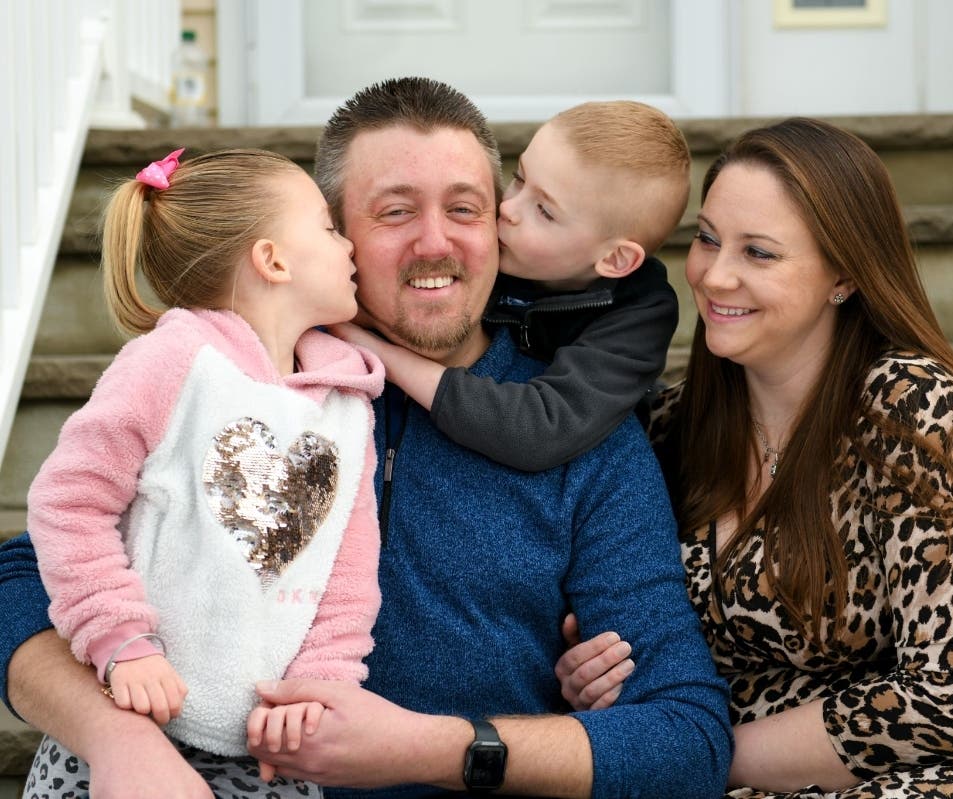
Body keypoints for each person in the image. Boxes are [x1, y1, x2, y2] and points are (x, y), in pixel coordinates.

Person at [0, 78, 732, 799]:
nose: (435, 242)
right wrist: (117, 738)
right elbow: (27, 576)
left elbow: (688, 736)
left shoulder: (580, 433)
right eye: (394, 212)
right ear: (329, 235)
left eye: (466, 209)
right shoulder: (244, 382)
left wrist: (437, 748)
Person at [555, 117, 953, 797]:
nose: (714, 275)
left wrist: (683, 752)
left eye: (759, 253)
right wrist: (588, 669)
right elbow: (635, 647)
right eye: (706, 239)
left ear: (843, 278)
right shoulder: (671, 428)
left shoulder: (913, 409)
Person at [18, 148, 385, 798]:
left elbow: (348, 572)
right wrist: (121, 637)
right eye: (328, 228)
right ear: (273, 260)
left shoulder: (346, 408)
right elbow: (66, 502)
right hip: (132, 734)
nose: (348, 243)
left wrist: (321, 685)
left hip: (275, 755)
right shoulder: (172, 363)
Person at [333, 99, 686, 471]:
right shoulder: (509, 246)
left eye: (545, 211)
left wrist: (373, 350)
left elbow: (538, 431)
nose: (509, 209)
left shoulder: (640, 315)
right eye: (519, 178)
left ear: (615, 259)